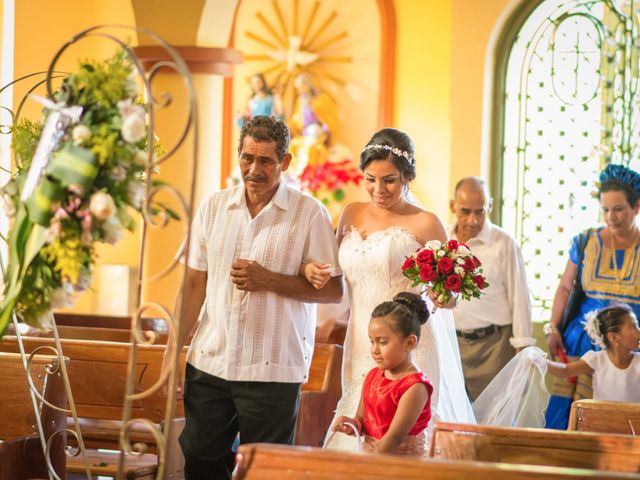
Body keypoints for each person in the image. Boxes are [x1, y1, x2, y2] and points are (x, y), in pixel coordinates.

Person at [168, 115, 343, 480]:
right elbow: (193, 285)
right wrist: (172, 351)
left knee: (264, 471)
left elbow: (332, 290)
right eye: (247, 158)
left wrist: (268, 279)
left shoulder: (309, 214)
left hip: (273, 368)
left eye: (265, 161)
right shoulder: (213, 207)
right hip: (210, 361)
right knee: (199, 459)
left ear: (285, 162)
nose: (254, 169)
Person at [302, 127, 475, 452]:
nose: (378, 189)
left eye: (389, 180)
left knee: (404, 438)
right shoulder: (352, 213)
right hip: (361, 340)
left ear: (407, 177)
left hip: (410, 344)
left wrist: (443, 296)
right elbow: (333, 272)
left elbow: (449, 295)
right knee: (357, 428)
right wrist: (310, 269)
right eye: (370, 179)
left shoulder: (426, 223)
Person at [544, 163, 640, 429]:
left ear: (636, 207)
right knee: (570, 415)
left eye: (619, 209)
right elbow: (565, 287)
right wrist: (553, 327)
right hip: (583, 341)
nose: (611, 216)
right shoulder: (585, 241)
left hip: (632, 344)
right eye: (606, 209)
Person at [449, 177, 535, 400]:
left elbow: (520, 298)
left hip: (494, 346)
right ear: (452, 206)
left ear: (490, 206)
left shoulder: (504, 243)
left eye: (480, 211)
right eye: (465, 211)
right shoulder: (441, 241)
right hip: (452, 344)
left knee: (493, 416)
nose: (473, 220)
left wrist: (523, 349)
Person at [331, 292, 433, 457]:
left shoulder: (415, 387)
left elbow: (394, 439)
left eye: (383, 342)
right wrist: (352, 425)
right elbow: (362, 421)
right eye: (372, 341)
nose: (374, 350)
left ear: (409, 343)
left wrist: (364, 469)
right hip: (374, 459)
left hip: (400, 466)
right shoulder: (373, 376)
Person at [542, 304, 640, 402]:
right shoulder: (596, 359)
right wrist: (542, 362)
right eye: (633, 327)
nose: (638, 331)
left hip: (633, 417)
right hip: (602, 416)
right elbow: (566, 370)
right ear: (613, 337)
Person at [288, 73, 340, 175]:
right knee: (293, 146)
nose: (299, 91)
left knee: (312, 147)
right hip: (304, 133)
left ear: (308, 85)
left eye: (300, 87)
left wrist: (325, 132)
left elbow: (329, 119)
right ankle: (298, 175)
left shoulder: (321, 99)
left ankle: (311, 175)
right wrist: (291, 127)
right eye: (297, 88)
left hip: (318, 133)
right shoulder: (301, 101)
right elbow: (297, 119)